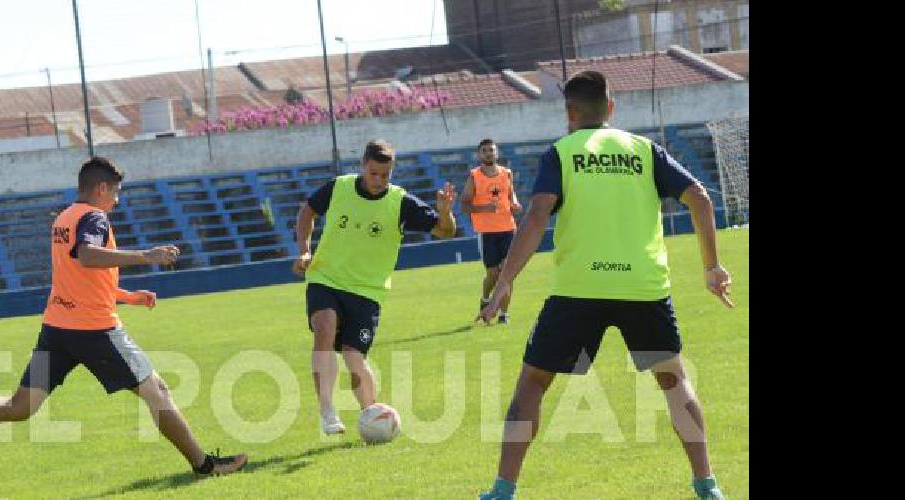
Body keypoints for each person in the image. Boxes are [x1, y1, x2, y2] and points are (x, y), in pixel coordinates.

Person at [476, 71, 732, 500]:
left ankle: (503, 490)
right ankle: (707, 484)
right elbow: (701, 199)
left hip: (579, 289)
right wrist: (712, 267)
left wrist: (504, 282)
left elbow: (537, 214)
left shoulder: (562, 152)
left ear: (569, 114)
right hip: (643, 288)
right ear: (611, 108)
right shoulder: (645, 150)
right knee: (673, 380)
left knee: (533, 384)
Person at [0, 156, 248, 478]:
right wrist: (146, 255)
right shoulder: (94, 218)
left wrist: (127, 297)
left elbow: (77, 275)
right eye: (116, 193)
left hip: (57, 329)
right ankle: (206, 467)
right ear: (101, 188)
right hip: (95, 331)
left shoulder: (64, 218)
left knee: (20, 406)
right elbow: (88, 255)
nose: (117, 201)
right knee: (157, 391)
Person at [292, 139, 457, 435]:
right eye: (373, 174)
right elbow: (308, 211)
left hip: (367, 291)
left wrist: (444, 212)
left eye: (385, 175)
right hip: (325, 278)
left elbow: (446, 231)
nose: (379, 181)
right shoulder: (339, 187)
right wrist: (305, 250)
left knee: (354, 356)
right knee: (324, 327)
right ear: (362, 167)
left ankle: (374, 416)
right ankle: (327, 410)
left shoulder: (401, 202)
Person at [460, 138, 522, 324]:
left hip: (508, 229)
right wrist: (483, 209)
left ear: (497, 153)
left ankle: (504, 314)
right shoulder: (474, 177)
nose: (489, 153)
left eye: (491, 150)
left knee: (506, 272)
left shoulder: (506, 173)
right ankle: (486, 298)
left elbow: (510, 194)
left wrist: (515, 203)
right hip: (487, 233)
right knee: (493, 274)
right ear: (479, 155)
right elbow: (464, 205)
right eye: (485, 151)